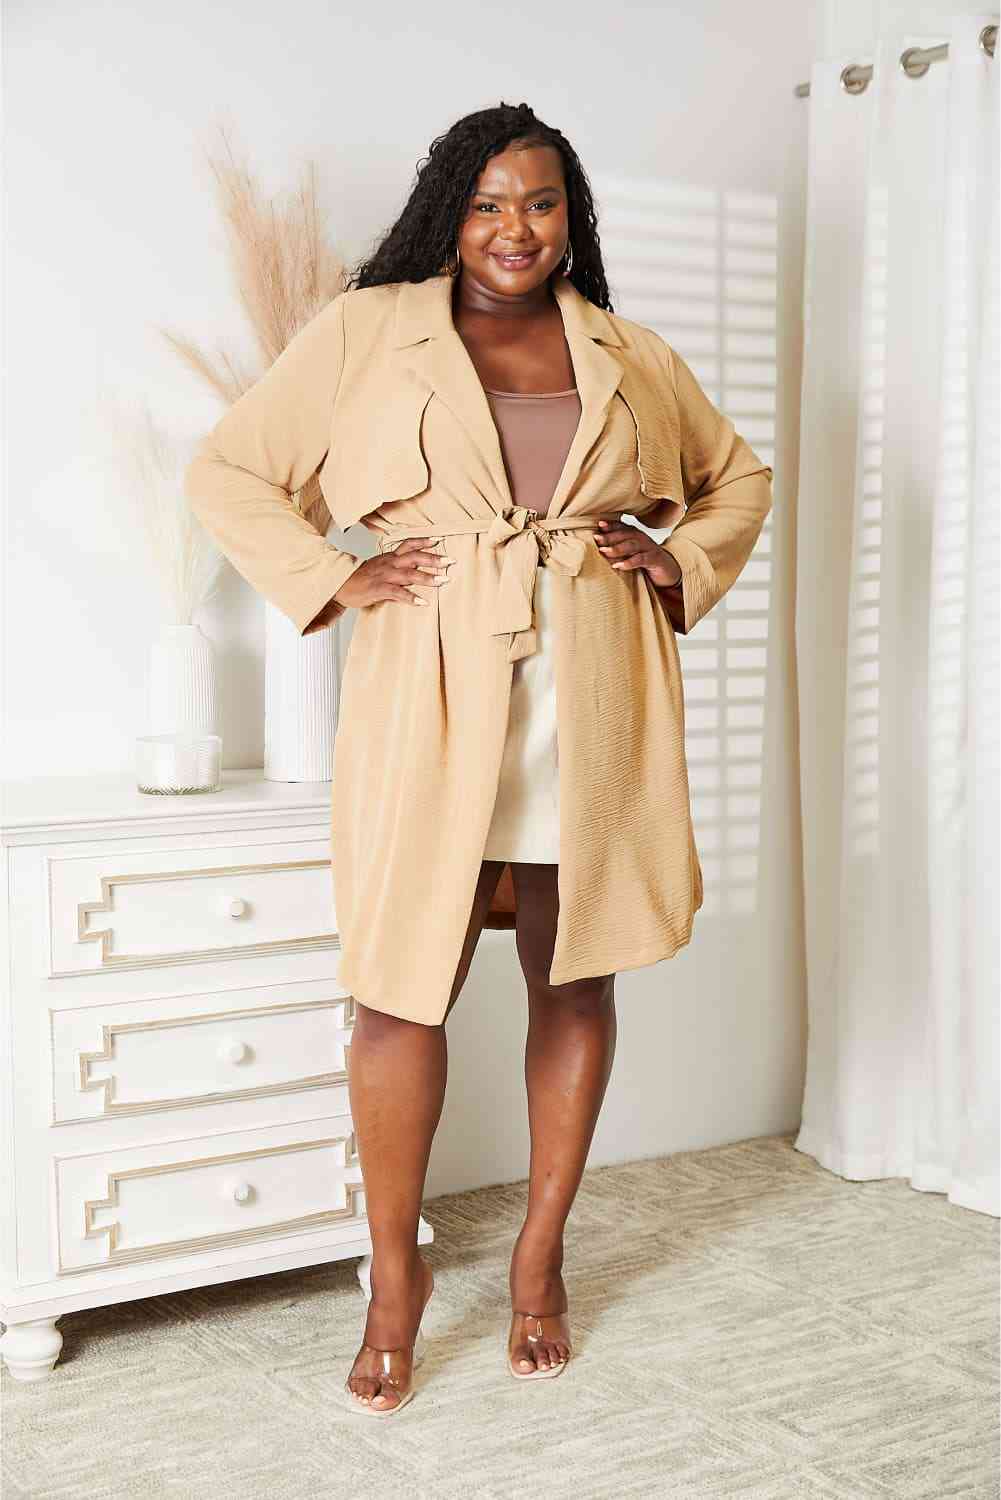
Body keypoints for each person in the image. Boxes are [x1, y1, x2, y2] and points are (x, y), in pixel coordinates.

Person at [185, 101, 773, 1416]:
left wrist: (672, 555)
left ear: (573, 217)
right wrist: (338, 575)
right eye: (490, 202)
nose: (517, 228)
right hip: (432, 689)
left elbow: (738, 479)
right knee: (400, 990)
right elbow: (229, 471)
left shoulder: (625, 349)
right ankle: (394, 1280)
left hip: (595, 693)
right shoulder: (367, 331)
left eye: (542, 202)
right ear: (450, 212)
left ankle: (539, 1260)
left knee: (573, 974)